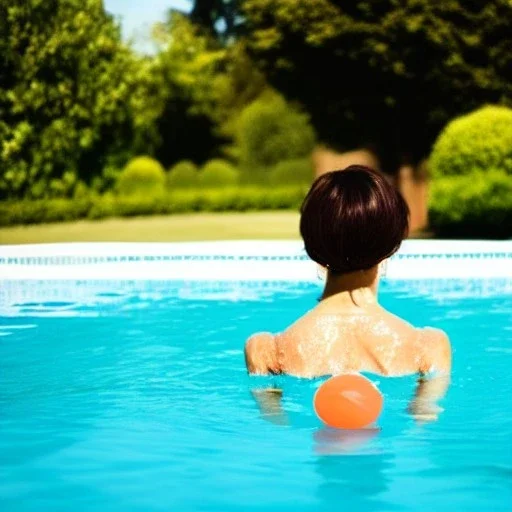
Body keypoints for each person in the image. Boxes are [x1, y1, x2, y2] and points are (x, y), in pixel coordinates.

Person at [245, 166, 451, 420]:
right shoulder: (429, 346)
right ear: (391, 247)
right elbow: (421, 428)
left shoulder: (266, 350)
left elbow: (275, 431)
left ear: (313, 246)